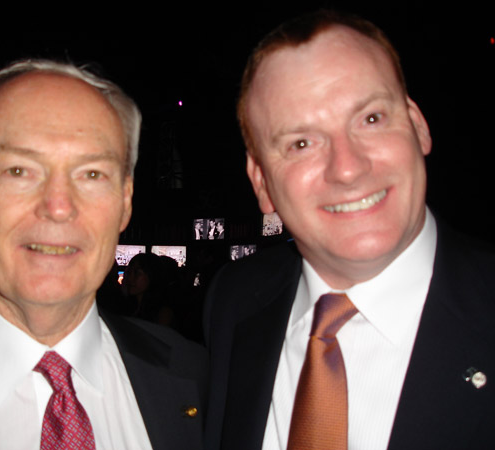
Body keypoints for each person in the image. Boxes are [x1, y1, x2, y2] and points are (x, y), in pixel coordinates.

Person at [204, 10, 495, 450]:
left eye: (371, 119)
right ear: (261, 182)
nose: (347, 168)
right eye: (301, 143)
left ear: (418, 126)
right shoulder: (234, 302)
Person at [0, 59, 207, 450]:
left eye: (92, 174)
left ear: (125, 202)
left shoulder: (199, 379)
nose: (58, 207)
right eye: (19, 171)